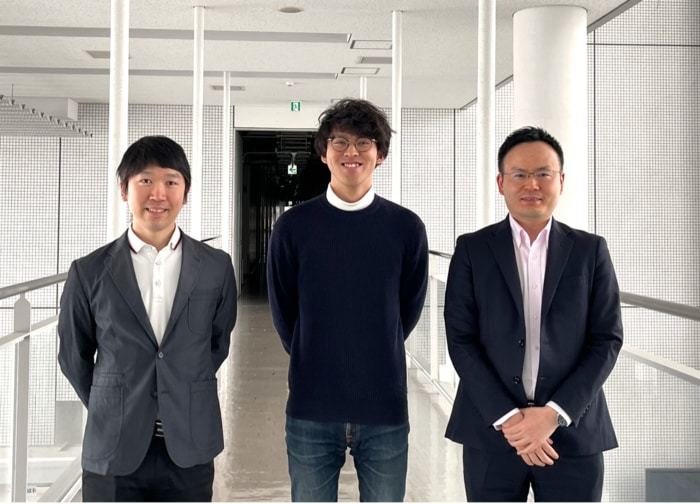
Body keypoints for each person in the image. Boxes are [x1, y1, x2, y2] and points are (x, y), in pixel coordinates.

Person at [444, 126, 623, 501]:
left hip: (572, 435)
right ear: (500, 182)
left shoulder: (590, 251)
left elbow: (606, 340)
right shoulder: (472, 250)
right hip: (491, 432)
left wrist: (554, 413)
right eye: (520, 174)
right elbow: (462, 341)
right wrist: (509, 419)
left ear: (561, 181)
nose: (532, 184)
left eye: (543, 174)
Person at [58, 135, 237, 501]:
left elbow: (217, 343)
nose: (159, 194)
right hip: (114, 448)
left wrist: (178, 391)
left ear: (185, 193)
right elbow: (73, 355)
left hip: (188, 444)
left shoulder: (216, 267)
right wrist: (115, 403)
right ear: (124, 190)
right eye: (145, 181)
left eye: (171, 182)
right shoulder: (89, 271)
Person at [267, 98, 429, 502]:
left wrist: (374, 342)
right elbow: (283, 309)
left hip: (384, 405)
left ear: (381, 154)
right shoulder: (293, 227)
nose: (351, 152)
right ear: (324, 153)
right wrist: (313, 349)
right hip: (311, 404)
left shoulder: (406, 228)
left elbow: (407, 309)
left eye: (364, 142)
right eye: (340, 142)